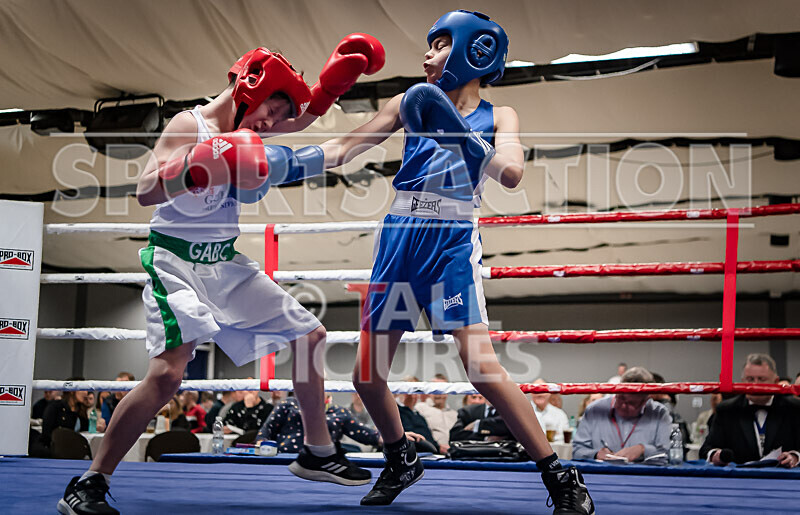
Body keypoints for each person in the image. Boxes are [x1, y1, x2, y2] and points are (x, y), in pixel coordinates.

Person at [58, 38, 385, 515]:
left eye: (276, 118)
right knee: (168, 375)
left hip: (225, 264)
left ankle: (318, 451)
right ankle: (89, 482)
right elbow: (146, 190)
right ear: (250, 89)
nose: (272, 126)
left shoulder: (251, 126)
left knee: (310, 335)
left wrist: (340, 87)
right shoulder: (188, 124)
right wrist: (198, 164)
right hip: (175, 262)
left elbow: (315, 126)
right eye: (270, 112)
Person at [315, 11, 593, 510]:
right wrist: (280, 161)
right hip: (400, 237)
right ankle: (401, 457)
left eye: (440, 44)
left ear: (474, 51)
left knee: (481, 369)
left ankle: (559, 477)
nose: (426, 54)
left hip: (451, 241)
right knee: (366, 374)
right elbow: (343, 147)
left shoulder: (499, 114)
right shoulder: (408, 101)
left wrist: (458, 134)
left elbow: (511, 173)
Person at [700, 354, 800, 468]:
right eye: (750, 379)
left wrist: (795, 457)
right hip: (739, 480)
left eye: (761, 379)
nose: (755, 385)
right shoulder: (727, 409)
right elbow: (706, 450)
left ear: (775, 381)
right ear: (743, 381)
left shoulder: (794, 408)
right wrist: (716, 456)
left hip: (785, 480)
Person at [572, 367, 671, 463]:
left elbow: (668, 455)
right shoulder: (595, 410)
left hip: (643, 476)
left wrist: (643, 450)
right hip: (601, 475)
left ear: (646, 400)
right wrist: (596, 454)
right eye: (620, 398)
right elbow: (577, 452)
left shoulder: (659, 413)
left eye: (631, 403)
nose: (623, 405)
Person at [257, 394, 381, 456]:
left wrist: (396, 438)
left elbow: (368, 435)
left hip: (323, 462)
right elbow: (265, 431)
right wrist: (261, 447)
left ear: (328, 394)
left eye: (320, 382)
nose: (314, 386)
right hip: (287, 459)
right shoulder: (289, 404)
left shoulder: (338, 413)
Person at [415, 374, 458, 453]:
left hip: (453, 454)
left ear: (447, 392)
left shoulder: (454, 414)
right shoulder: (420, 409)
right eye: (434, 389)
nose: (438, 393)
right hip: (431, 454)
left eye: (442, 389)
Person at [395, 377, 440, 453]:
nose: (415, 396)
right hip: (411, 453)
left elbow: (429, 437)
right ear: (404, 393)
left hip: (430, 453)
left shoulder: (419, 416)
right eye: (412, 391)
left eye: (417, 392)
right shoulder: (397, 413)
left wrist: (439, 448)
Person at [530, 379, 569, 443]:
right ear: (531, 393)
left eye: (542, 390)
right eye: (535, 390)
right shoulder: (520, 413)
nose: (539, 394)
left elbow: (563, 439)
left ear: (549, 393)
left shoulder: (560, 414)